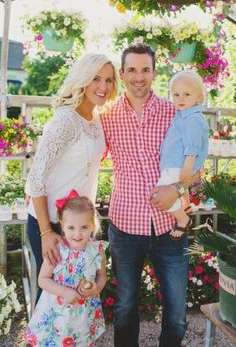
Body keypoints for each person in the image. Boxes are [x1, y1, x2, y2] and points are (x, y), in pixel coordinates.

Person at [101, 43, 191, 347]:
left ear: (154, 72)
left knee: (177, 314)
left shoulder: (174, 112)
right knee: (125, 307)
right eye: (132, 70)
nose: (139, 77)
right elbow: (86, 158)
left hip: (170, 228)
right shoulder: (107, 116)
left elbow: (197, 168)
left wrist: (176, 189)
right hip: (125, 226)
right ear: (122, 73)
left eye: (145, 70)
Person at [25, 53, 118, 301]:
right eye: (96, 79)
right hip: (51, 223)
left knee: (79, 294)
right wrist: (46, 232)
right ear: (83, 78)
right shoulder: (65, 120)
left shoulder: (97, 119)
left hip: (80, 223)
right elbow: (35, 179)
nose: (103, 87)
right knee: (52, 300)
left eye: (109, 80)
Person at [24, 190, 108, 346]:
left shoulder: (97, 250)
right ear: (62, 225)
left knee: (80, 341)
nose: (77, 234)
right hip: (57, 313)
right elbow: (43, 280)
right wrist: (64, 291)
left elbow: (102, 275)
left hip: (82, 314)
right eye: (71, 228)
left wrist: (96, 288)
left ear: (92, 225)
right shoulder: (58, 249)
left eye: (84, 227)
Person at [156, 70, 209, 239]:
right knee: (175, 191)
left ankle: (182, 219)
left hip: (179, 165)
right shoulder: (183, 115)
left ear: (199, 97)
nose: (181, 99)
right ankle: (185, 204)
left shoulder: (192, 118)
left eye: (187, 94)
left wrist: (187, 169)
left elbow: (192, 145)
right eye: (176, 94)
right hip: (175, 164)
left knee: (160, 197)